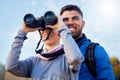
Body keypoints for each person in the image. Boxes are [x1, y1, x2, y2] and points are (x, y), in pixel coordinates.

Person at [5, 13, 84, 79]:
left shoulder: (67, 58)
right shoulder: (33, 62)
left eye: (51, 28)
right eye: (42, 29)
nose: (46, 31)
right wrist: (22, 32)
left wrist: (62, 27)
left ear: (60, 33)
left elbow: (75, 59)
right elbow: (11, 67)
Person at [60, 4, 115, 80]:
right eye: (65, 19)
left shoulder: (96, 50)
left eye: (75, 18)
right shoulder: (58, 53)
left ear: (83, 24)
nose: (70, 23)